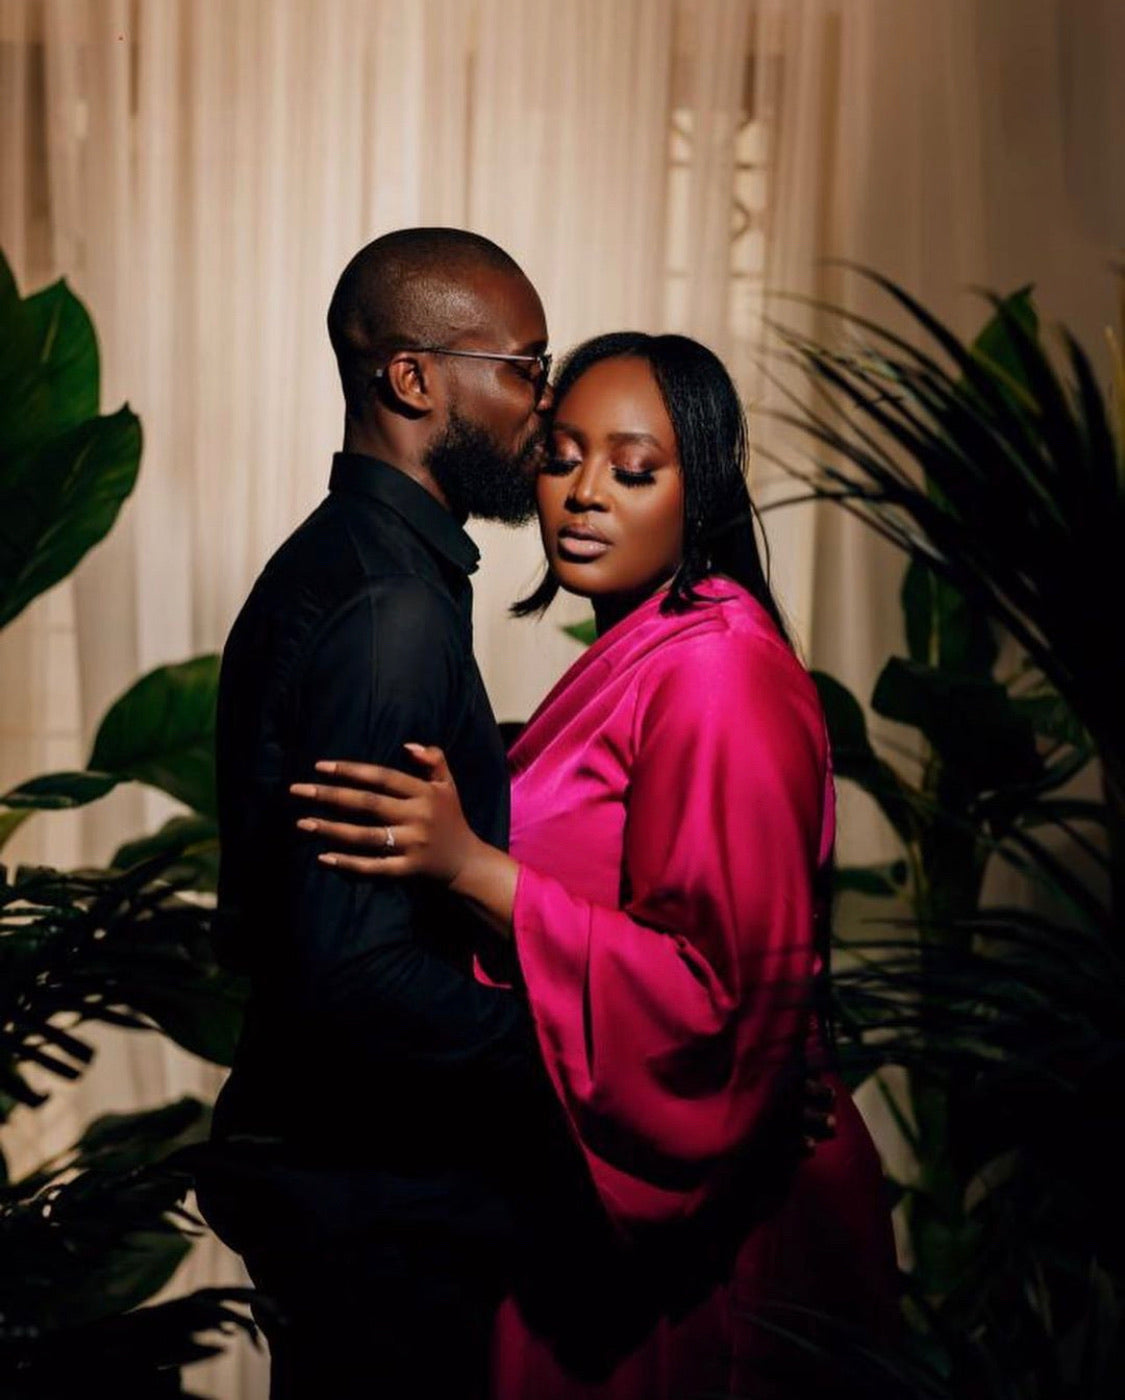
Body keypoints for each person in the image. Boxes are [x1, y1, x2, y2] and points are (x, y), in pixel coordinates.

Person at [293, 332, 900, 1397]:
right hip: (602, 1204)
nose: (581, 494)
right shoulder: (654, 642)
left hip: (706, 1240)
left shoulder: (715, 672)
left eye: (631, 468)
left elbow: (712, 997)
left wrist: (476, 868)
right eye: (562, 455)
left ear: (698, 487)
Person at [198, 227, 565, 1400]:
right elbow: (350, 970)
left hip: (358, 1183)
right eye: (526, 366)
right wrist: (584, 1056)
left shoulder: (364, 566)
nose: (544, 409)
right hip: (376, 1198)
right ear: (411, 378)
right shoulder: (390, 604)